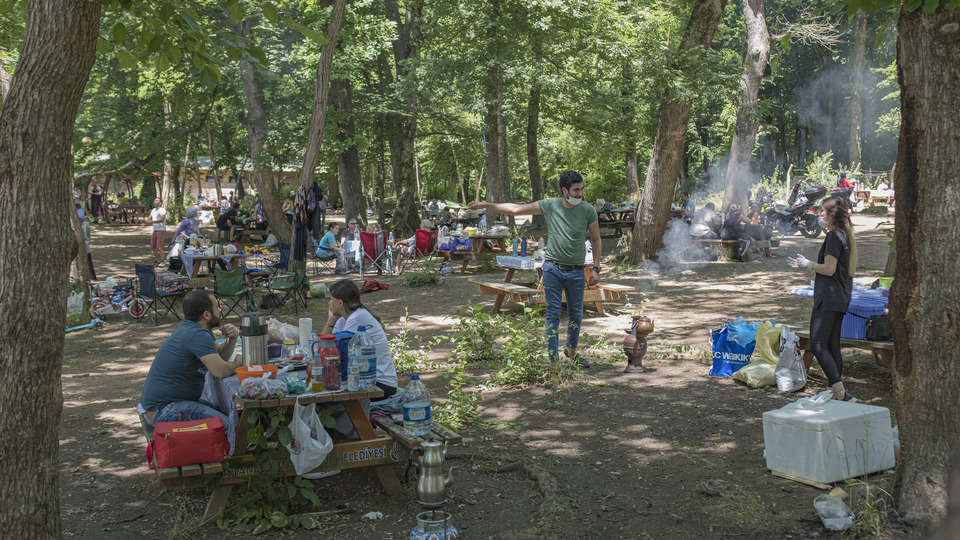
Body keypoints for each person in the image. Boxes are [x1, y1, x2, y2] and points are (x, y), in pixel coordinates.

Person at [468, 170, 600, 367]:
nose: (580, 194)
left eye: (581, 189)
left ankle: (572, 352)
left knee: (576, 314)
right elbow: (514, 209)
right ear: (564, 190)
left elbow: (597, 239)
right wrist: (486, 205)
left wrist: (596, 268)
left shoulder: (588, 210)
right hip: (553, 269)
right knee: (553, 314)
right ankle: (554, 362)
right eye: (576, 190)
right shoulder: (549, 205)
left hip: (576, 271)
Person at [787, 196, 858, 402]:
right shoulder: (845, 234)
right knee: (832, 345)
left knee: (818, 344)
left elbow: (829, 269)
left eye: (822, 211)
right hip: (841, 297)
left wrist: (807, 264)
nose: (820, 215)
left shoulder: (835, 236)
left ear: (832, 214)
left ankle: (840, 393)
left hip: (829, 298)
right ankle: (835, 391)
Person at [137, 290, 240, 430]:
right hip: (162, 410)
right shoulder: (197, 334)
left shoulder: (197, 328)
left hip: (167, 405)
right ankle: (228, 451)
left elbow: (219, 357)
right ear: (206, 314)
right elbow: (220, 370)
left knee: (228, 414)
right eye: (217, 307)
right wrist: (240, 364)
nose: (220, 310)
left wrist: (232, 339)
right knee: (230, 427)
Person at [323, 279, 398, 400]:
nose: (329, 303)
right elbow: (325, 346)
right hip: (363, 379)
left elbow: (338, 356)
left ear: (340, 303)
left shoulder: (357, 318)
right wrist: (331, 320)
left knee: (330, 401)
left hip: (380, 383)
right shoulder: (343, 319)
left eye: (331, 299)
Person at [150, 197, 167, 266]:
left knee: (159, 247)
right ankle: (158, 260)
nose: (155, 201)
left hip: (161, 229)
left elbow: (162, 219)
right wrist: (146, 221)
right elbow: (149, 217)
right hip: (155, 230)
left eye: (157, 200)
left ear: (160, 203)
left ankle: (163, 261)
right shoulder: (153, 210)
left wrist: (153, 221)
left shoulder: (162, 210)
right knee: (153, 246)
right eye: (155, 200)